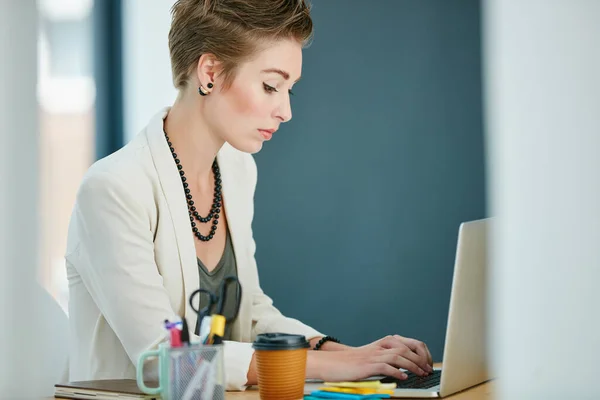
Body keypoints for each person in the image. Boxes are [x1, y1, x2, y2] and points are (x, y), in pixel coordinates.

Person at [65, 0, 433, 391]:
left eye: (289, 90)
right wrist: (334, 367)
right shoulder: (113, 188)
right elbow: (163, 363)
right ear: (210, 72)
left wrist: (350, 354)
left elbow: (250, 312)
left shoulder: (237, 170)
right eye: (271, 86)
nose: (286, 111)